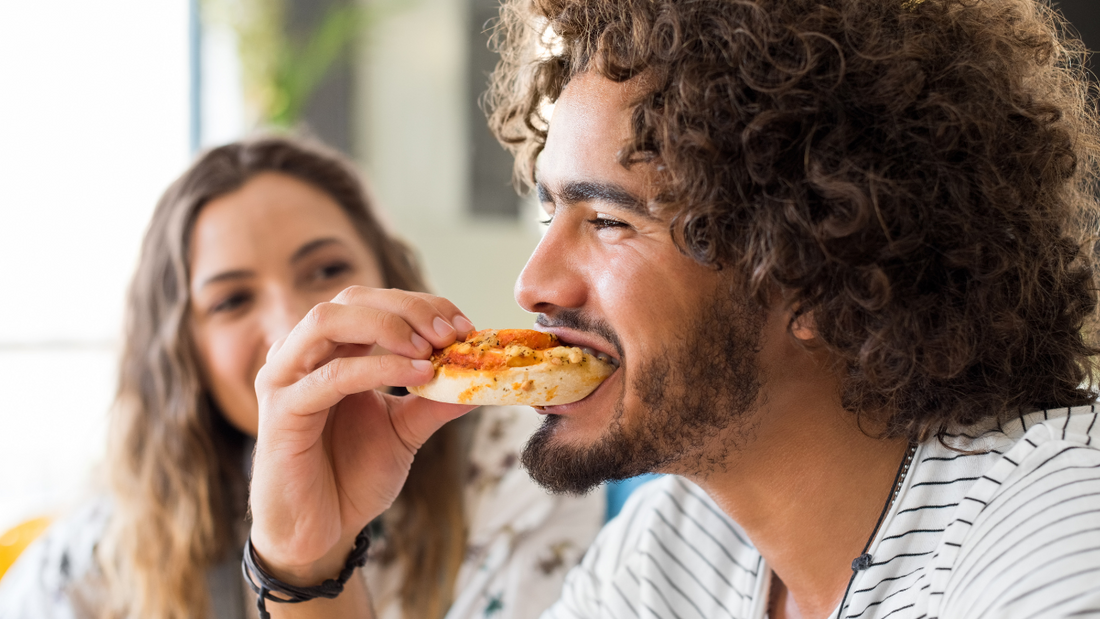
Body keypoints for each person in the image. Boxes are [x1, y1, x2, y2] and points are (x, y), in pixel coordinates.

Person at [242, 0, 1100, 617]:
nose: (534, 283)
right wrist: (308, 561)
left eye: (609, 221)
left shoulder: (1057, 544)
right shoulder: (686, 536)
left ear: (813, 259)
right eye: (551, 213)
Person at [0, 136, 604, 619]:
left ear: (389, 279)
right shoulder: (90, 566)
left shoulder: (530, 473)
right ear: (182, 353)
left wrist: (311, 572)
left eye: (326, 269)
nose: (296, 325)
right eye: (231, 300)